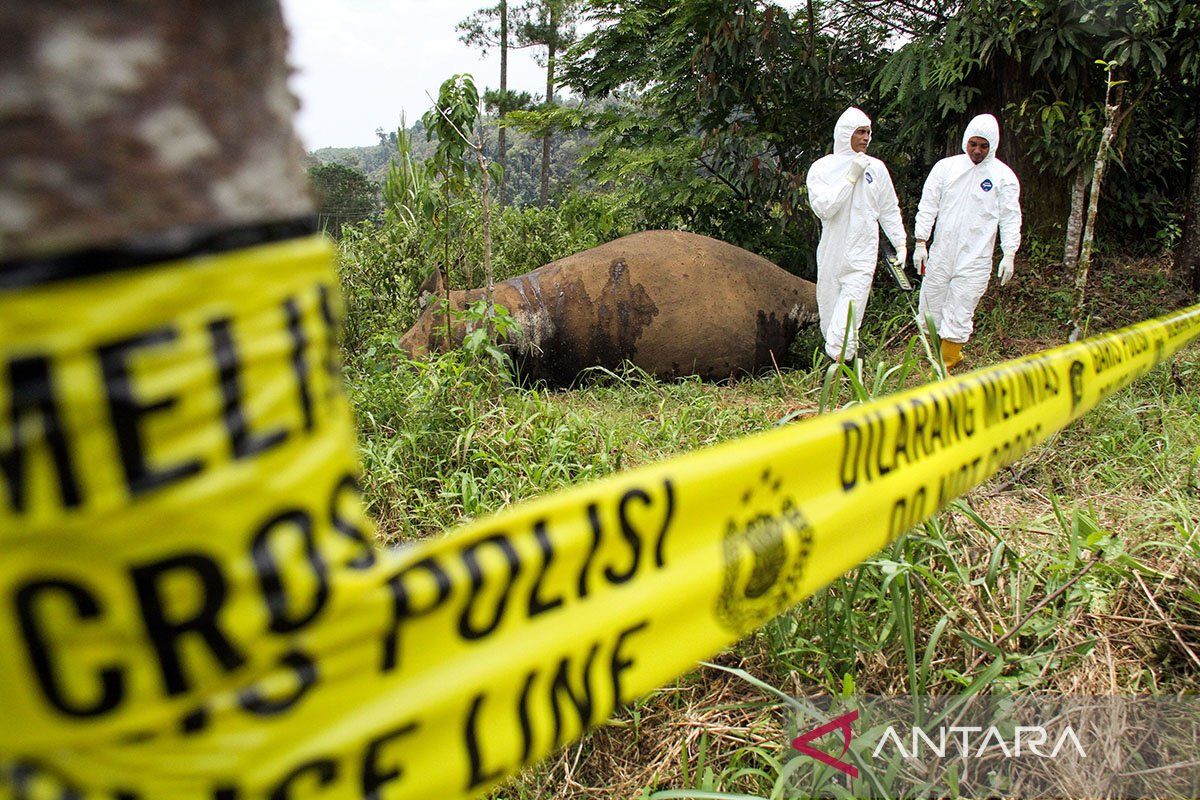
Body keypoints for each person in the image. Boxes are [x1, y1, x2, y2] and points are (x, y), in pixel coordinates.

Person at [912, 113, 1022, 370]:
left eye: (984, 146)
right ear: (965, 141)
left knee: (961, 307)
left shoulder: (1003, 177)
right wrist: (920, 242)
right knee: (931, 304)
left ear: (992, 145)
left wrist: (1009, 253)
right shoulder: (946, 168)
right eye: (973, 144)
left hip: (976, 257)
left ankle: (948, 361)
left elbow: (1010, 216)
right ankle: (931, 358)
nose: (977, 150)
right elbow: (928, 205)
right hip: (941, 252)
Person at [806, 107, 907, 362]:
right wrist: (850, 177)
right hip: (832, 253)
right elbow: (824, 209)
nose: (866, 138)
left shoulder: (877, 169)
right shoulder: (822, 168)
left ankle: (838, 372)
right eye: (860, 132)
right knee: (830, 321)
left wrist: (900, 243)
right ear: (844, 134)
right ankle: (847, 373)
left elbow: (888, 208)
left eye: (868, 132)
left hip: (862, 255)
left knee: (846, 323)